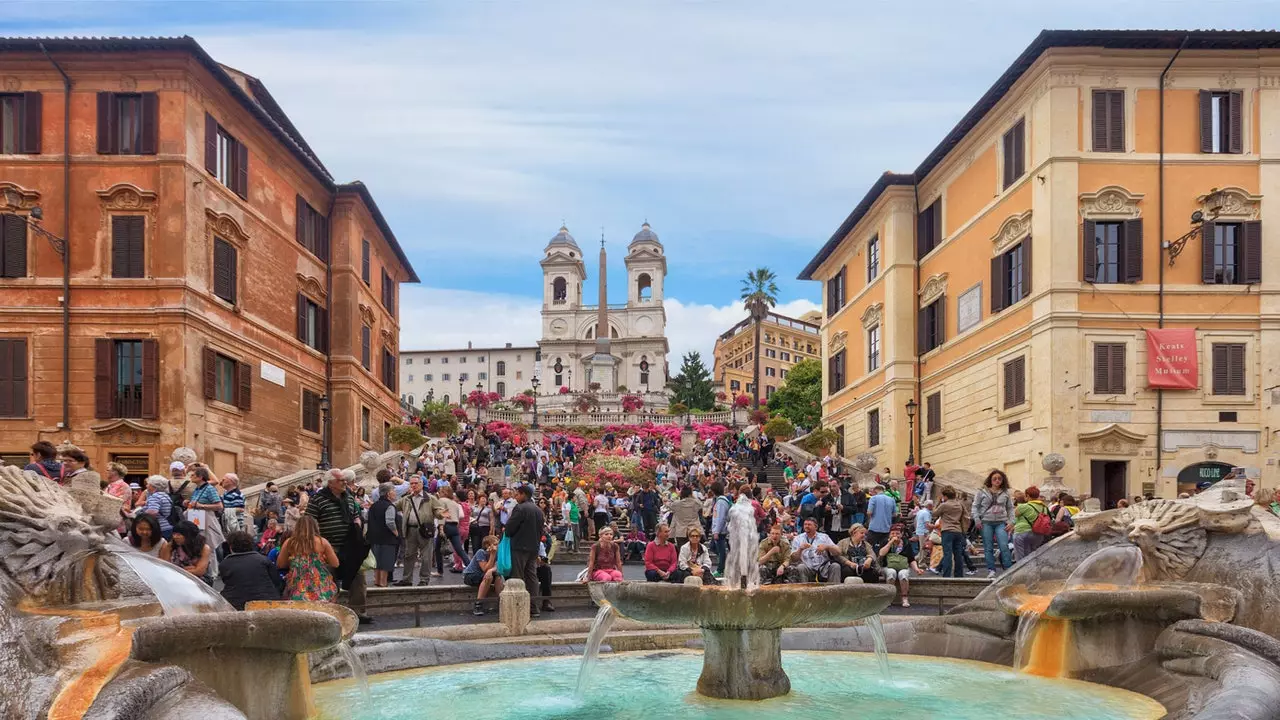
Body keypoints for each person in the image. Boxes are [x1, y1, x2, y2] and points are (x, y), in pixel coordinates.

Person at [306, 468, 369, 622]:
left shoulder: (348, 497)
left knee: (358, 578)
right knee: (329, 579)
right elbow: (309, 521)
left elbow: (356, 513)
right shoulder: (318, 499)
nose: (344, 482)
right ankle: (330, 613)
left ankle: (358, 612)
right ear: (331, 483)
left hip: (350, 545)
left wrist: (358, 521)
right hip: (328, 546)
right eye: (341, 480)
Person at [503, 484, 546, 616]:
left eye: (517, 494)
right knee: (531, 577)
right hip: (533, 547)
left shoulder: (520, 508)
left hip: (519, 547)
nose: (515, 496)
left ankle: (519, 607)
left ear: (523, 494)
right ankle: (534, 608)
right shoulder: (538, 510)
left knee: (518, 576)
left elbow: (510, 528)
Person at [278, 515, 340, 602]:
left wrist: (294, 560)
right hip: (320, 587)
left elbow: (280, 564)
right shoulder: (322, 542)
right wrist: (323, 558)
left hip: (297, 587)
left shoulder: (289, 542)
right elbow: (335, 563)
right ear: (315, 527)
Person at [219, 530, 284, 610]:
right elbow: (277, 582)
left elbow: (227, 581)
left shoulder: (225, 564)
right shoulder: (263, 560)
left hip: (237, 604)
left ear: (231, 547)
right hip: (267, 602)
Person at [971, 470, 1015, 577]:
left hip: (1001, 522)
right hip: (986, 522)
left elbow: (1010, 508)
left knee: (1004, 546)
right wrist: (976, 519)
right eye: (994, 478)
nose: (997, 480)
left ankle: (1008, 570)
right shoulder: (982, 491)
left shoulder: (1005, 492)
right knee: (988, 547)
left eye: (999, 478)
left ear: (1003, 480)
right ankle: (991, 570)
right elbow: (975, 506)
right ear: (990, 479)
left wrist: (1012, 522)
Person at [366, 482, 400, 588]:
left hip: (374, 537)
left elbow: (368, 518)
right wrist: (396, 533)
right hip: (387, 538)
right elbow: (389, 522)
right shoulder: (390, 506)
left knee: (377, 561)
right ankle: (383, 583)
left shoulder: (373, 505)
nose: (395, 493)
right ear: (388, 493)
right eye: (393, 491)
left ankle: (377, 580)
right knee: (385, 562)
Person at [787, 517, 841, 584]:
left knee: (835, 566)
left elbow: (838, 551)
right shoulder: (798, 539)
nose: (806, 526)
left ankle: (835, 591)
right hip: (808, 568)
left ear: (816, 527)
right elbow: (793, 559)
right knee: (801, 567)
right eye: (805, 524)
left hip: (823, 568)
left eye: (809, 524)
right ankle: (804, 592)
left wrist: (827, 546)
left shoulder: (824, 537)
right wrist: (800, 549)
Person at [464, 535, 504, 616]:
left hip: (484, 575)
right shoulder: (481, 552)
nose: (497, 547)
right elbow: (485, 569)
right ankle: (478, 604)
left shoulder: (497, 553)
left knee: (497, 576)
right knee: (489, 576)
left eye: (497, 544)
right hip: (471, 575)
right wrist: (492, 555)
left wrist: (491, 570)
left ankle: (502, 602)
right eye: (495, 544)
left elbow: (497, 567)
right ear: (487, 545)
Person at [164, 520, 212, 584]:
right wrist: (190, 569)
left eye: (179, 534)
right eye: (174, 534)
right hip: (175, 577)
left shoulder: (204, 548)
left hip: (199, 579)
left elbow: (200, 571)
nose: (175, 537)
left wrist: (178, 569)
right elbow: (165, 565)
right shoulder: (170, 546)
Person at [879, 524, 916, 607]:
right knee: (892, 573)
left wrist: (916, 569)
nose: (895, 535)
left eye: (897, 533)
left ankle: (905, 598)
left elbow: (911, 559)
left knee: (903, 574)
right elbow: (881, 553)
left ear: (901, 534)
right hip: (887, 566)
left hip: (903, 566)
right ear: (889, 534)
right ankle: (889, 598)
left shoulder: (906, 542)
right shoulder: (885, 541)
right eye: (892, 533)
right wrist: (890, 542)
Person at [935, 487, 967, 578]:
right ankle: (959, 575)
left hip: (947, 531)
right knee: (958, 554)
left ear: (945, 496)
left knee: (947, 554)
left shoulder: (944, 505)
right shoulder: (960, 505)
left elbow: (934, 513)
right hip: (958, 531)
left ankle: (946, 575)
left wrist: (938, 502)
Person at [1012, 485, 1050, 561]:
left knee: (1020, 558)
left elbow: (1014, 515)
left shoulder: (1023, 506)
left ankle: (1021, 572)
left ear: (1028, 496)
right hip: (1038, 535)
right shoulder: (1044, 507)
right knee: (1032, 557)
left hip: (1022, 533)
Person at [143, 474, 176, 539]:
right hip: (167, 527)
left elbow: (153, 512)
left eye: (149, 484)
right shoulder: (165, 495)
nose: (146, 486)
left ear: (154, 486)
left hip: (159, 528)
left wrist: (139, 514)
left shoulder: (155, 496)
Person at [710, 481, 731, 575]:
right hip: (718, 529)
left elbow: (720, 517)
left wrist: (716, 531)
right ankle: (725, 563)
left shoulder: (721, 502)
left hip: (720, 531)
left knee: (721, 550)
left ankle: (720, 569)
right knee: (712, 547)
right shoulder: (720, 501)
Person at [866, 485, 896, 550]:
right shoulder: (891, 500)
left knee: (870, 548)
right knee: (883, 548)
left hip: (874, 527)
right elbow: (894, 514)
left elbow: (869, 512)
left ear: (875, 491)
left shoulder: (873, 498)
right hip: (886, 528)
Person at [913, 500, 934, 567]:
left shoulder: (920, 511)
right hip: (924, 532)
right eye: (932, 505)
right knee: (924, 548)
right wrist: (933, 528)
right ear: (929, 506)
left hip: (919, 531)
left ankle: (917, 558)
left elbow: (915, 522)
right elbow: (927, 524)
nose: (933, 507)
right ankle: (921, 562)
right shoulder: (926, 513)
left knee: (922, 547)